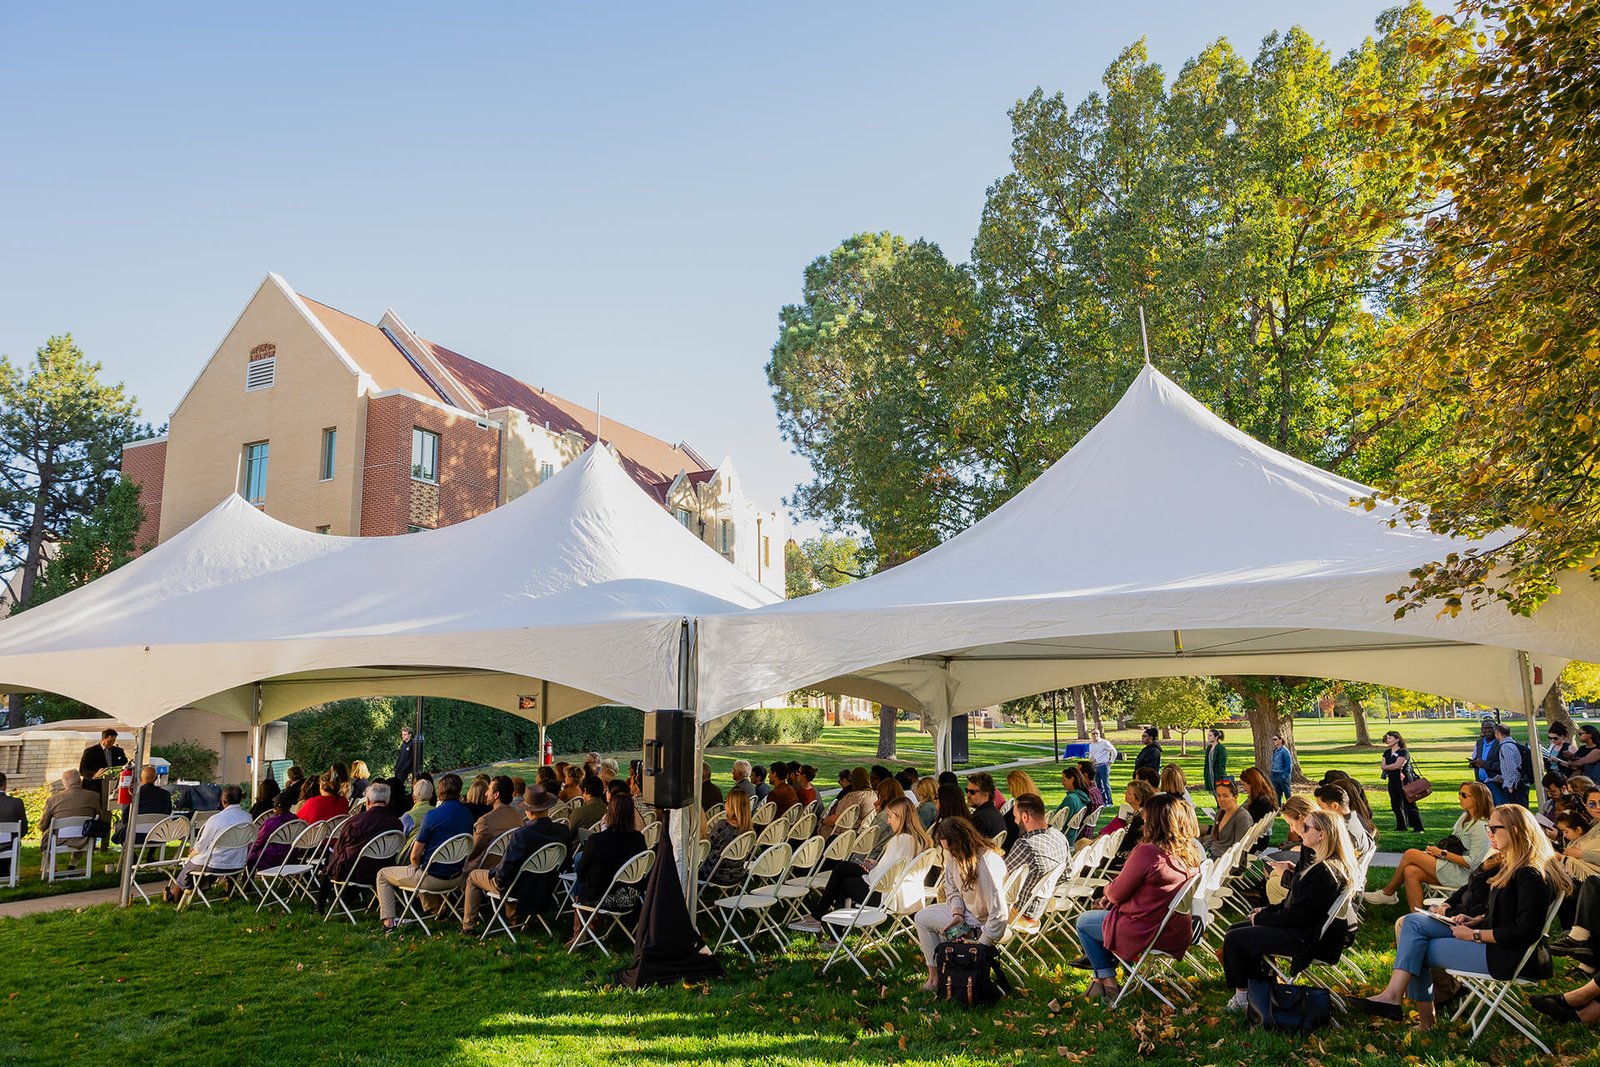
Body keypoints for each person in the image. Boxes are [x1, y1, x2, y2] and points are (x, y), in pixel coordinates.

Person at [1355, 805, 1572, 1030]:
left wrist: (1475, 934)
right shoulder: (1511, 864)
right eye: (1488, 828)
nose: (1489, 834)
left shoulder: (1530, 874)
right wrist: (1477, 919)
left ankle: (1416, 1015)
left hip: (1508, 956)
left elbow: (1527, 931)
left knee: (1416, 947)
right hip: (1495, 943)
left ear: (1515, 830)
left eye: (1493, 829)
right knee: (1412, 923)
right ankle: (1396, 999)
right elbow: (1505, 911)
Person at [1074, 792, 1205, 1001]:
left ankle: (1107, 980)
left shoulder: (1148, 852)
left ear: (1155, 821)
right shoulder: (1190, 851)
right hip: (1176, 929)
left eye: (1145, 817)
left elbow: (1117, 892)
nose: (1142, 820)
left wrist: (1107, 894)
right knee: (1104, 913)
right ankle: (1100, 980)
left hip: (1148, 931)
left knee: (1084, 922)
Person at [1221, 810, 1355, 1012]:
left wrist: (1263, 918)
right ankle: (1261, 986)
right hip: (1306, 929)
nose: (1300, 831)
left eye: (1306, 828)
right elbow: (1295, 904)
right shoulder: (1319, 863)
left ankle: (1243, 997)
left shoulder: (1324, 872)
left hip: (1308, 939)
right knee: (1235, 928)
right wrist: (1266, 911)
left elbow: (1297, 915)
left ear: (1322, 835)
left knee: (1236, 938)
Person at [792, 796, 933, 934]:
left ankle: (826, 928)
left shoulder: (900, 840)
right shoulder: (919, 839)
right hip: (908, 893)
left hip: (889, 896)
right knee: (842, 868)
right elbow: (896, 867)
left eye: (890, 816)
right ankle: (821, 923)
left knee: (843, 881)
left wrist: (871, 870)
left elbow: (880, 878)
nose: (888, 821)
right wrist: (876, 866)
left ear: (900, 817)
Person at [914, 817, 1010, 992]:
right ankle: (936, 977)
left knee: (940, 929)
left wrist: (981, 944)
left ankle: (946, 977)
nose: (949, 853)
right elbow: (953, 890)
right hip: (966, 913)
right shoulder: (953, 856)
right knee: (922, 918)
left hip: (984, 923)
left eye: (951, 849)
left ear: (962, 843)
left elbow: (999, 914)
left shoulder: (986, 863)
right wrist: (957, 913)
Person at [1365, 781, 1493, 908]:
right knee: (1411, 871)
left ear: (1477, 799)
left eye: (1464, 795)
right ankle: (1417, 918)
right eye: (1459, 793)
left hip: (1466, 876)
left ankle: (1388, 893)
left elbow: (1474, 864)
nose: (1459, 797)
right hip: (1453, 866)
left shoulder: (1481, 827)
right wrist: (1439, 852)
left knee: (1411, 854)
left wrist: (1442, 853)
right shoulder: (1466, 816)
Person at [462, 788, 571, 934]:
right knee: (511, 874)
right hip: (545, 882)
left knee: (473, 876)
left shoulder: (522, 835)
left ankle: (468, 926)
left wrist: (494, 872)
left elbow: (505, 873)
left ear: (529, 812)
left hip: (518, 886)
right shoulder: (563, 830)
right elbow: (565, 862)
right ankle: (514, 918)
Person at [378, 773, 474, 932]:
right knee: (425, 865)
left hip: (432, 878)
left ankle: (389, 923)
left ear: (439, 790)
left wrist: (415, 866)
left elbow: (414, 856)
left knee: (383, 874)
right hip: (457, 876)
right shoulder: (467, 814)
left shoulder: (432, 816)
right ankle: (436, 910)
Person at [571, 793, 648, 941]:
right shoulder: (639, 839)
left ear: (609, 813)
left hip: (604, 898)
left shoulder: (597, 840)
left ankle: (580, 932)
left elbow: (581, 874)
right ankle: (591, 926)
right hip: (633, 896)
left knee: (582, 878)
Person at [315, 781, 403, 910]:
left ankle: (320, 905)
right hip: (385, 868)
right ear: (387, 800)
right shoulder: (396, 823)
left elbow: (340, 847)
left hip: (357, 871)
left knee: (333, 859)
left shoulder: (357, 821)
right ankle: (345, 902)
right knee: (354, 858)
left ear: (367, 801)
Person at [163, 785, 252, 902]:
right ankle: (201, 888)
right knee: (202, 860)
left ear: (223, 801)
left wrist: (193, 852)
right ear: (240, 800)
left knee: (190, 864)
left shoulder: (216, 819)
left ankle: (175, 893)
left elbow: (201, 845)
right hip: (237, 862)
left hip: (215, 864)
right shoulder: (248, 818)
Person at [1004, 793, 1070, 911]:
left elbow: (1001, 879)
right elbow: (1067, 874)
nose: (1014, 821)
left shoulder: (1026, 845)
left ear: (1025, 817)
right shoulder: (1060, 837)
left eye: (1015, 817)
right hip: (1043, 905)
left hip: (1018, 910)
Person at [39, 769, 107, 865]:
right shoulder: (93, 796)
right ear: (80, 781)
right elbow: (99, 818)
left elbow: (43, 825)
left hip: (59, 839)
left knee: (46, 838)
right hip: (85, 838)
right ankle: (73, 864)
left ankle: (52, 868)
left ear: (64, 783)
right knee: (86, 830)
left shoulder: (53, 800)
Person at [465, 776, 524, 871]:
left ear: (496, 795)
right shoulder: (519, 818)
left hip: (486, 867)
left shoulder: (485, 820)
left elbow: (472, 851)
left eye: (488, 790)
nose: (485, 793)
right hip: (509, 865)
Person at [702, 788, 754, 885]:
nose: (725, 804)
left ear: (732, 806)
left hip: (714, 873)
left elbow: (707, 847)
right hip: (737, 874)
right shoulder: (748, 830)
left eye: (727, 801)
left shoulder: (723, 826)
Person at [112, 765, 174, 846]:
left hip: (135, 835)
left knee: (120, 826)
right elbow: (168, 813)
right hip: (159, 835)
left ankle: (132, 856)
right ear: (155, 779)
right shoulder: (166, 794)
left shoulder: (134, 794)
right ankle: (151, 854)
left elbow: (125, 814)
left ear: (140, 779)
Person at [1379, 730, 1426, 833]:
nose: (1388, 740)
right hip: (1392, 779)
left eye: (1390, 738)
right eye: (1387, 738)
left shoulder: (1403, 752)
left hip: (1404, 780)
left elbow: (1398, 765)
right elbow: (1383, 766)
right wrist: (1388, 767)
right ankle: (1401, 826)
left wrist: (1387, 766)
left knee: (1409, 803)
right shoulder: (1387, 752)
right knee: (1395, 804)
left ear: (1397, 739)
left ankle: (1418, 828)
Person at [1199, 779, 1255, 859]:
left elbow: (1238, 849)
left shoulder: (1242, 818)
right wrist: (1200, 850)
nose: (1221, 799)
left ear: (1235, 797)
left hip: (1223, 861)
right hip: (1212, 854)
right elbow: (1213, 838)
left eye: (1225, 796)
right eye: (1218, 795)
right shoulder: (1220, 813)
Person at [1314, 783, 1372, 858]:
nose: (1319, 810)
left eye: (1321, 806)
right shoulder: (1357, 819)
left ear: (1335, 805)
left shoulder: (1343, 832)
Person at [246, 791, 300, 872]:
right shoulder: (296, 820)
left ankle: (247, 883)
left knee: (250, 854)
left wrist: (248, 846)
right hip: (291, 857)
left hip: (270, 859)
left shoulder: (272, 822)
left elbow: (258, 841)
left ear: (275, 807)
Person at [1487, 721, 1530, 807]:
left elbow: (1511, 767)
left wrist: (1510, 785)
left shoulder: (1505, 747)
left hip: (1514, 787)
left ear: (1498, 733)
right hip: (1515, 783)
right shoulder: (1513, 744)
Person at [0, 772, 28, 879]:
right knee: (12, 840)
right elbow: (23, 829)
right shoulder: (16, 803)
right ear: (4, 785)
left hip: (8, 843)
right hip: (8, 844)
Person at [965, 772, 1006, 840]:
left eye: (972, 792)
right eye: (967, 791)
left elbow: (970, 846)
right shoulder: (994, 812)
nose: (968, 795)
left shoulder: (980, 819)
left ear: (986, 794)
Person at [1088, 729, 1118, 803]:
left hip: (1103, 766)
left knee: (1106, 784)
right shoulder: (1091, 745)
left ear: (1099, 734)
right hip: (1095, 766)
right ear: (1091, 735)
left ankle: (1110, 802)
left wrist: (1111, 761)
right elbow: (1091, 755)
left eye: (1097, 733)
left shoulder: (1104, 743)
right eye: (1093, 734)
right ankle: (1103, 801)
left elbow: (1114, 751)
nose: (1095, 735)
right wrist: (1091, 759)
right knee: (1098, 785)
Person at [1269, 735, 1295, 805]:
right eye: (1273, 740)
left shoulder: (1285, 751)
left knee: (1287, 795)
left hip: (1282, 775)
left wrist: (1284, 776)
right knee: (1277, 795)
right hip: (1275, 775)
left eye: (1275, 739)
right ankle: (1279, 810)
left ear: (1280, 740)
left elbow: (1289, 765)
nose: (1273, 741)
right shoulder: (1275, 751)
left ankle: (1291, 808)